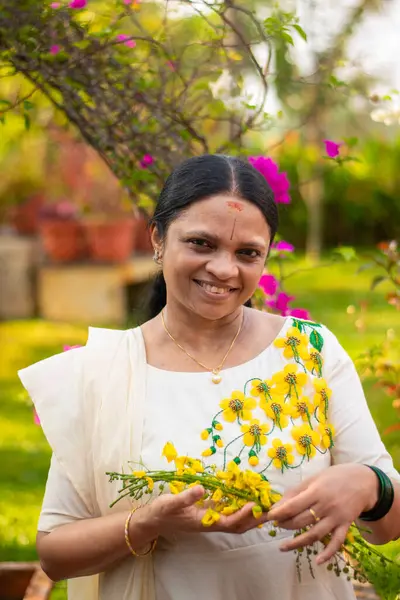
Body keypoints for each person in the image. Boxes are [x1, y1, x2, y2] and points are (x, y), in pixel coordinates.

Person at [19, 154, 400, 600]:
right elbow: (56, 553)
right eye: (201, 243)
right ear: (158, 239)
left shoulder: (308, 353)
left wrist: (370, 486)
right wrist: (148, 523)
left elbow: (387, 528)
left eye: (247, 253)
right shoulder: (104, 371)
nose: (224, 269)